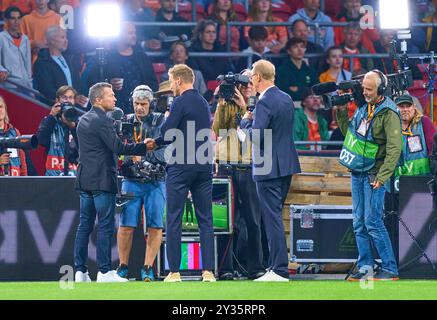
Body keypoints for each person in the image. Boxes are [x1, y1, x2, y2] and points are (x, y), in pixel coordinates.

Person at [73, 82, 155, 283]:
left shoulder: (83, 119)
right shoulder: (102, 121)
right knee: (105, 225)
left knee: (84, 225)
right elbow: (118, 147)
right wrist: (143, 147)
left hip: (84, 180)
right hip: (101, 181)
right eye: (111, 95)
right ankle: (104, 271)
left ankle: (80, 272)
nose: (115, 99)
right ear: (98, 100)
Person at [336, 70, 402, 281]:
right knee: (359, 223)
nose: (364, 92)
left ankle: (390, 268)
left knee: (372, 221)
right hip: (358, 171)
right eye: (363, 88)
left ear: (381, 89)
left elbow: (394, 149)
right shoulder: (365, 109)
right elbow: (350, 136)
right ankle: (366, 267)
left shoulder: (389, 113)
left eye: (369, 89)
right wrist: (340, 112)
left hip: (374, 174)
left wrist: (382, 178)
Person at [240, 60, 301, 281]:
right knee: (275, 216)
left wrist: (245, 122)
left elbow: (256, 137)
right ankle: (276, 267)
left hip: (269, 167)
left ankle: (278, 269)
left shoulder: (264, 102)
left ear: (257, 77)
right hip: (286, 165)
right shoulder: (285, 98)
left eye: (252, 78)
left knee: (271, 218)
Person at [158, 64, 216, 282]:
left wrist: (166, 118)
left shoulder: (180, 101)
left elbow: (167, 133)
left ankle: (174, 272)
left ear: (179, 81)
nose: (171, 85)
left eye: (172, 81)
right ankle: (208, 271)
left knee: (174, 218)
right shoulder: (203, 101)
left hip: (181, 166)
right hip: (203, 166)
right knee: (205, 219)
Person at [212, 69, 266, 280]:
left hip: (249, 165)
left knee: (253, 219)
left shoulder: (261, 103)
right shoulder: (227, 102)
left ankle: (255, 267)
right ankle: (225, 268)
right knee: (225, 220)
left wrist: (245, 108)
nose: (246, 86)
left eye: (249, 82)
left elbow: (258, 135)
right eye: (242, 83)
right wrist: (222, 102)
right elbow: (218, 128)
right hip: (226, 163)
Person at [116, 85, 167, 282]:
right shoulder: (125, 121)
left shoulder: (161, 121)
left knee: (155, 225)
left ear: (151, 104)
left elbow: (166, 148)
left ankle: (147, 268)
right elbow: (117, 149)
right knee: (126, 225)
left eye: (143, 104)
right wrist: (130, 153)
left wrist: (145, 153)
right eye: (136, 103)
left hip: (156, 179)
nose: (139, 108)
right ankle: (123, 267)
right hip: (130, 179)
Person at [84, 21, 158, 114]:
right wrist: (108, 84)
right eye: (130, 33)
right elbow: (91, 81)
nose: (134, 35)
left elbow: (152, 83)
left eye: (134, 32)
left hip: (139, 110)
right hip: (114, 111)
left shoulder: (142, 57)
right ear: (120, 35)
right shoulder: (106, 57)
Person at [392, 93, 435, 192]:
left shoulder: (424, 122)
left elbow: (433, 149)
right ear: (396, 108)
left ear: (414, 107)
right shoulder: (390, 126)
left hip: (422, 182)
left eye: (408, 106)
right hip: (396, 183)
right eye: (401, 106)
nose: (405, 109)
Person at [33, 25, 87, 105]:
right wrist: (70, 99)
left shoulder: (69, 59)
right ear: (52, 41)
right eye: (62, 37)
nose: (66, 41)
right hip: (55, 109)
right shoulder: (42, 62)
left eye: (66, 37)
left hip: (74, 108)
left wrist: (79, 96)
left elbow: (77, 83)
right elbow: (47, 90)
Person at [36, 85, 79, 176]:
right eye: (64, 97)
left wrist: (73, 127)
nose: (67, 100)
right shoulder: (49, 120)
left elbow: (84, 147)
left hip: (74, 175)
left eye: (71, 97)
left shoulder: (79, 123)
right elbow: (40, 140)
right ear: (57, 100)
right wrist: (51, 116)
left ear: (74, 101)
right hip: (53, 175)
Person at [0, 6, 33, 90]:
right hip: (9, 86)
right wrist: (2, 69)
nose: (16, 21)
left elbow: (28, 66)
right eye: (13, 18)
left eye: (18, 18)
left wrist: (30, 87)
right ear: (6, 20)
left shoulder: (25, 39)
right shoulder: (1, 37)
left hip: (25, 86)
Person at [276, 37, 319, 102]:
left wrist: (298, 89)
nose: (300, 50)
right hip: (290, 104)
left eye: (302, 47)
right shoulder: (281, 70)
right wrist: (307, 90)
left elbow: (317, 90)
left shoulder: (310, 70)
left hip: (309, 105)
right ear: (288, 51)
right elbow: (283, 92)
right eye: (295, 47)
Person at [0, 95, 28, 176]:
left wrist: (24, 181)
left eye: (1, 107)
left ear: (5, 109)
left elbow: (22, 162)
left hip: (15, 183)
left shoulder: (15, 132)